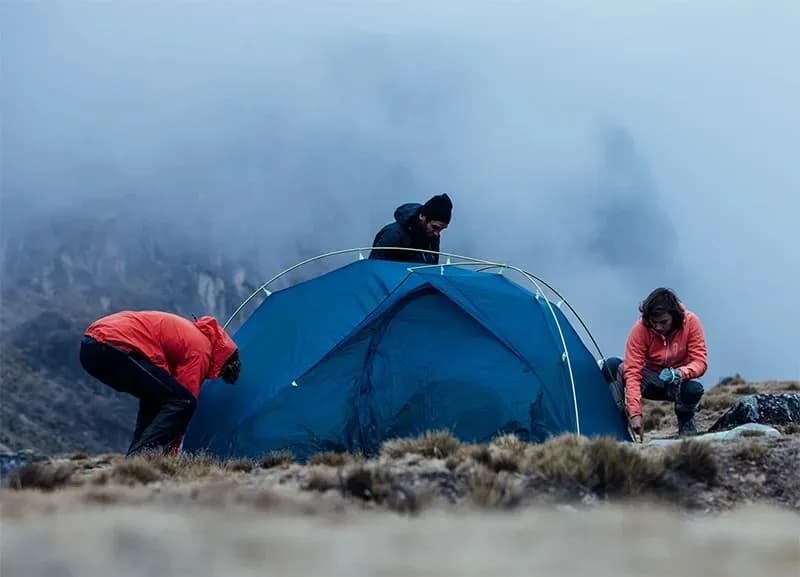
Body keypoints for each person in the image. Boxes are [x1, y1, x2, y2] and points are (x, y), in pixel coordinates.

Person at [79, 310, 241, 456]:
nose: (216, 375)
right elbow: (183, 403)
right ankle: (141, 457)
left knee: (157, 400)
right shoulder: (201, 351)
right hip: (112, 344)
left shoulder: (193, 334)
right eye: (220, 374)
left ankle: (136, 460)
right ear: (223, 364)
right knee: (182, 401)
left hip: (92, 345)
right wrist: (171, 454)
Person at [601, 288, 707, 438]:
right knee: (612, 366)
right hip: (649, 380)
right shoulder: (640, 329)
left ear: (674, 316)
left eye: (663, 322)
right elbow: (633, 371)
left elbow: (700, 361)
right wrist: (635, 414)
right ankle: (617, 425)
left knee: (694, 389)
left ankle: (686, 422)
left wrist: (680, 373)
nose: (658, 327)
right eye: (653, 322)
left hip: (676, 382)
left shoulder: (691, 323)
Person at [369, 193, 453, 264]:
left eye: (442, 229)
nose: (437, 233)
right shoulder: (392, 235)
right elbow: (375, 271)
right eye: (435, 227)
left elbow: (432, 270)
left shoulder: (432, 236)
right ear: (422, 216)